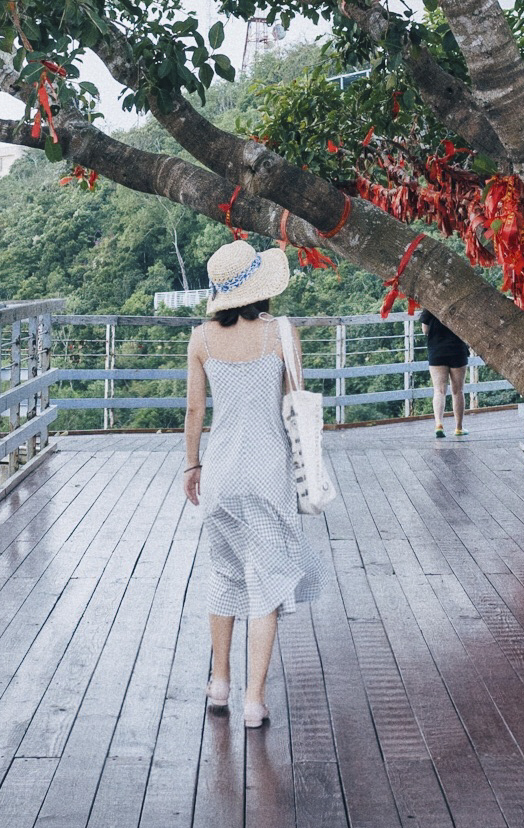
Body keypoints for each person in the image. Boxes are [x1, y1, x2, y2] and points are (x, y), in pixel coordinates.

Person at [184, 240, 324, 728]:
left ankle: (218, 682)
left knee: (223, 575)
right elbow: (296, 405)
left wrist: (191, 466)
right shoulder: (282, 334)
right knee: (265, 585)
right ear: (260, 289)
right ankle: (253, 701)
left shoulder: (200, 339)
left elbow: (195, 412)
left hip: (219, 472)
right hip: (269, 471)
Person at [419, 307, 470, 438]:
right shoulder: (462, 305)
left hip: (437, 351)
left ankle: (439, 424)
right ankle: (458, 428)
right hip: (457, 349)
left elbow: (425, 330)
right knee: (458, 391)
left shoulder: (430, 306)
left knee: (439, 391)